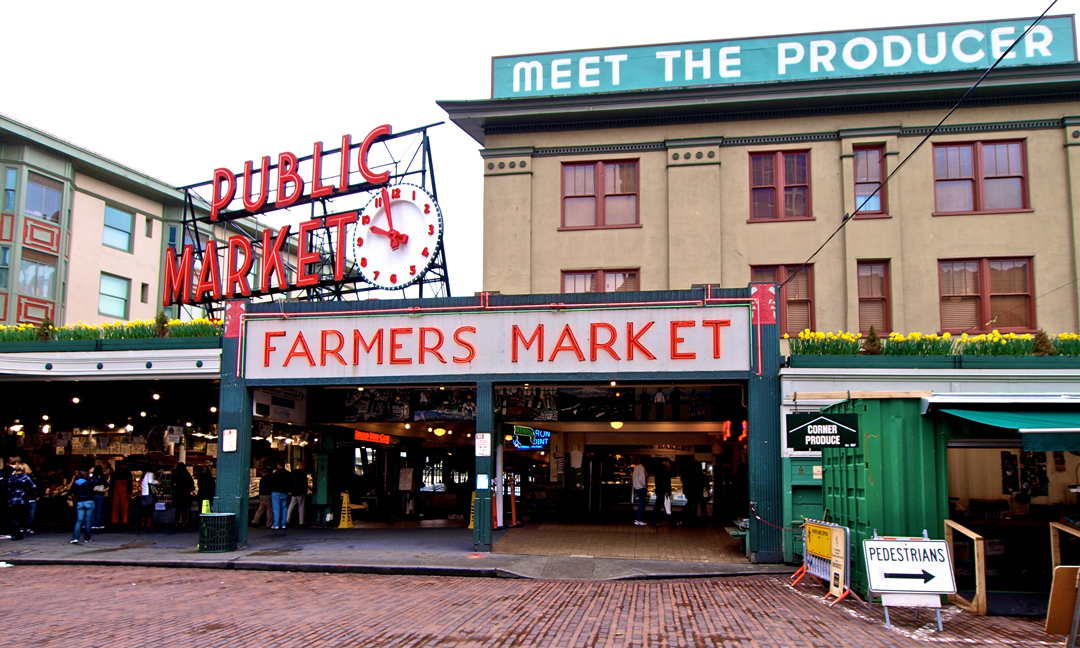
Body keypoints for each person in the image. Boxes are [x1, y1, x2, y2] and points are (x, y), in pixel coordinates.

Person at [6, 463, 36, 541]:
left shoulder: (11, 477)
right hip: (22, 498)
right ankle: (19, 532)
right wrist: (28, 491)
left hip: (13, 498)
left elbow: (9, 489)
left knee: (14, 516)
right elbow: (33, 487)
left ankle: (14, 532)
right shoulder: (25, 477)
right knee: (21, 516)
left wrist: (9, 500)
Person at [70, 469, 95, 543]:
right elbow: (99, 481)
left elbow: (71, 491)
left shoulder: (75, 483)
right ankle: (87, 538)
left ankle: (75, 537)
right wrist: (95, 475)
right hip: (89, 502)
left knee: (79, 520)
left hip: (80, 502)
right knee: (88, 520)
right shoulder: (89, 483)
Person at [172, 462, 195, 528]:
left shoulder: (176, 474)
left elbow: (172, 484)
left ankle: (176, 522)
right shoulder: (187, 474)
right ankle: (184, 522)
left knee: (177, 509)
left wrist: (175, 489)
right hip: (185, 494)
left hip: (178, 493)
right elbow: (192, 485)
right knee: (184, 509)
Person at [270, 461, 291, 530]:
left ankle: (276, 524)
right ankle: (283, 524)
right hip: (285, 492)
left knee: (276, 509)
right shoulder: (288, 473)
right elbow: (290, 483)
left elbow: (272, 482)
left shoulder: (275, 473)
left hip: (276, 492)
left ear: (278, 465)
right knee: (284, 508)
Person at [651, 459, 672, 527]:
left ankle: (671, 521)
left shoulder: (658, 470)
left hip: (659, 491)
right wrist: (667, 491)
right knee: (663, 506)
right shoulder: (665, 470)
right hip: (663, 491)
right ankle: (672, 521)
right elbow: (666, 481)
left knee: (659, 506)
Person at [287, 462, 309, 527]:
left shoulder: (294, 473)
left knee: (291, 506)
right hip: (301, 492)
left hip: (294, 492)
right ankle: (301, 522)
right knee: (301, 506)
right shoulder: (303, 474)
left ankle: (287, 520)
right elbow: (305, 483)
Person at [110, 462, 132, 526]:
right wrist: (111, 493)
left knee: (124, 506)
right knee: (115, 506)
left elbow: (130, 484)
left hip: (123, 490)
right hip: (117, 490)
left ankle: (124, 521)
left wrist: (128, 492)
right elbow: (111, 484)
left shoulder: (127, 473)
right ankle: (114, 521)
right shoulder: (115, 474)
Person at [89, 465, 107, 530]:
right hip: (100, 494)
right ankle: (98, 524)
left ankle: (92, 523)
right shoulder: (102, 477)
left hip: (93, 494)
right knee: (99, 509)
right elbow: (106, 484)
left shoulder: (92, 477)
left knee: (93, 510)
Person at [632, 458, 648, 526]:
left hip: (636, 487)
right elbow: (642, 479)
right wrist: (645, 486)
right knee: (642, 504)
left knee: (640, 504)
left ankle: (638, 519)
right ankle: (639, 519)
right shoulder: (642, 468)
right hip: (641, 488)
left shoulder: (636, 467)